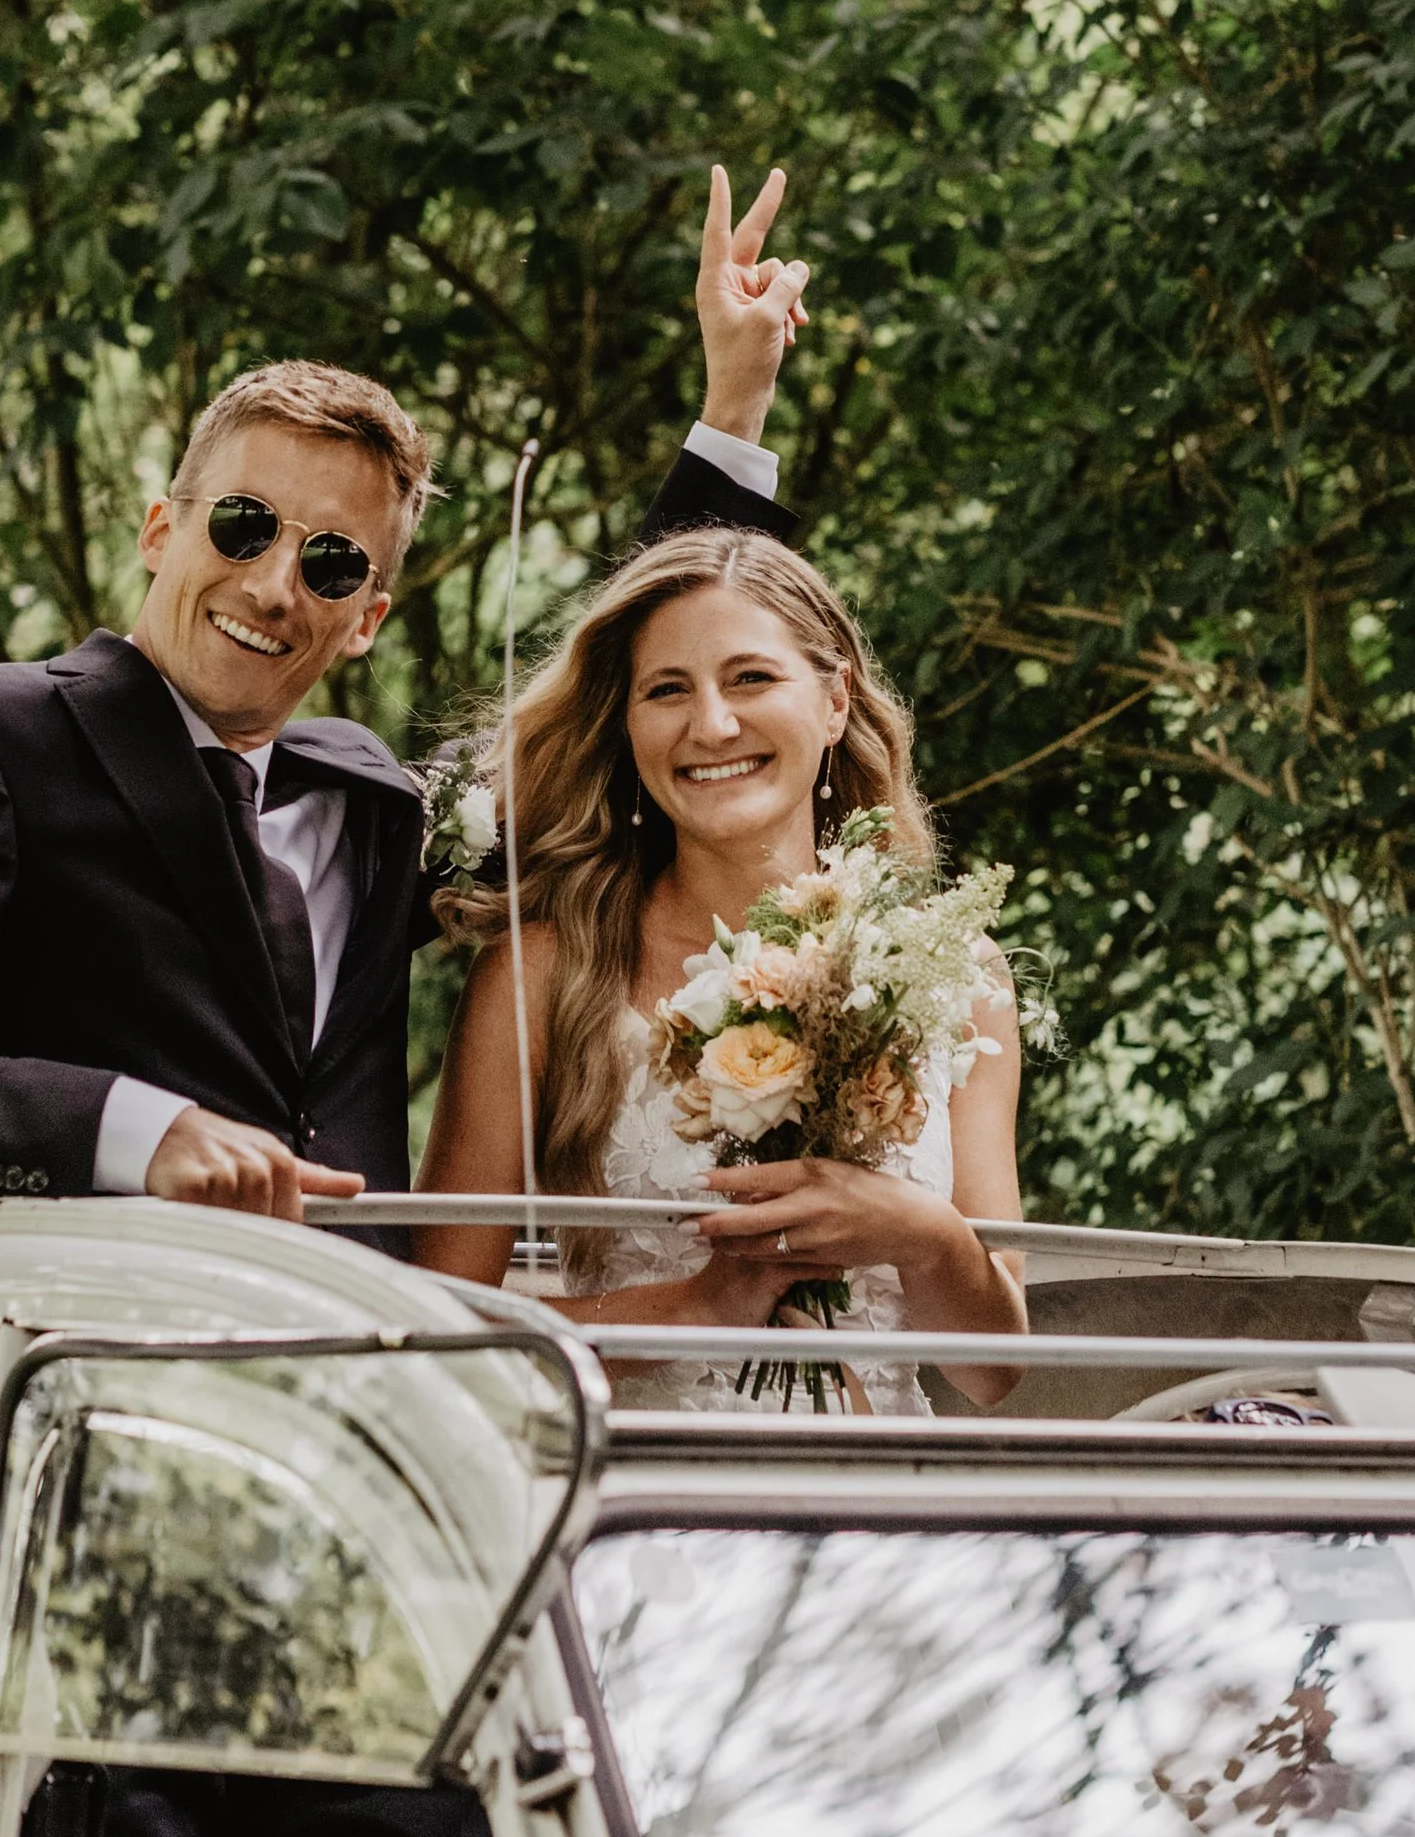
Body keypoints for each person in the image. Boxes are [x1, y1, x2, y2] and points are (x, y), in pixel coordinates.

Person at [0, 169, 810, 1837]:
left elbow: (619, 714)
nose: (267, 583)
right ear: (162, 521)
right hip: (77, 1467)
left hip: (353, 1478)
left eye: (328, 563)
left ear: (367, 609)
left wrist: (732, 413)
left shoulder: (374, 800)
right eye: (240, 526)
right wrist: (124, 1135)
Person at [414, 530, 1028, 1413]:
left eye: (751, 679)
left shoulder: (955, 977)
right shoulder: (545, 972)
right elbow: (445, 1328)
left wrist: (925, 1235)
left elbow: (993, 1370)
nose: (711, 725)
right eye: (668, 690)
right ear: (628, 727)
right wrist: (694, 1306)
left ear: (835, 702)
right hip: (643, 1501)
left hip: (883, 1503)